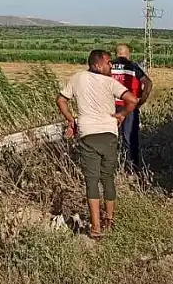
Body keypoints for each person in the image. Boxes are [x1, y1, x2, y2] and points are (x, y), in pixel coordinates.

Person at [56, 49, 140, 239]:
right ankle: (109, 220)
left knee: (91, 181)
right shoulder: (110, 83)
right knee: (108, 179)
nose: (111, 66)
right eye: (108, 62)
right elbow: (132, 100)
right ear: (97, 64)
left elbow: (61, 100)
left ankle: (95, 228)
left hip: (87, 135)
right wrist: (122, 115)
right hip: (109, 134)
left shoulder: (77, 78)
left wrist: (71, 120)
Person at [111, 43, 153, 172]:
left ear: (117, 53)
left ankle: (111, 167)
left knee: (110, 138)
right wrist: (141, 101)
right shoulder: (133, 67)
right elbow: (148, 83)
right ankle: (132, 169)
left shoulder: (108, 66)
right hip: (130, 107)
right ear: (128, 54)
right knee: (130, 139)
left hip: (111, 107)